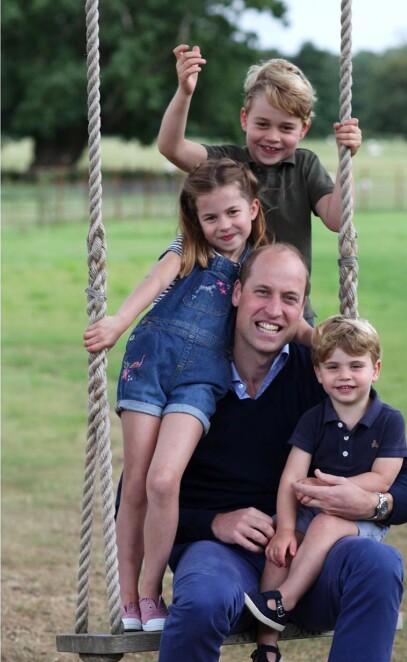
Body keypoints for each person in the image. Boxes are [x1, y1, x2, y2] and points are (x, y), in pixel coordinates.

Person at [148, 244, 407, 662]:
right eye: (262, 292)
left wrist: (370, 502)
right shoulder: (192, 373)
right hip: (224, 555)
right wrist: (214, 522)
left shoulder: (318, 374)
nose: (274, 310)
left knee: (378, 563)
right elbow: (134, 497)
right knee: (200, 599)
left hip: (311, 556)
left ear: (302, 309)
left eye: (290, 297)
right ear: (237, 293)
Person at [82, 158, 274, 633]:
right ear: (197, 219)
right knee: (137, 482)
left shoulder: (259, 262)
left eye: (232, 213)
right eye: (211, 217)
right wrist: (118, 322)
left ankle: (151, 592)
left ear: (252, 208)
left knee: (165, 481)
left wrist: (326, 342)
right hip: (150, 362)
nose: (223, 226)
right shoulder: (188, 247)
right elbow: (155, 282)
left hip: (202, 377)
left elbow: (280, 313)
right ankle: (129, 600)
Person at [243, 315, 407, 662]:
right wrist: (285, 529)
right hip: (312, 506)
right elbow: (291, 477)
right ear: (318, 373)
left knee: (326, 522)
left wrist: (337, 491)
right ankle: (267, 644)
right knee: (279, 549)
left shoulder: (389, 421)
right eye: (333, 367)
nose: (345, 376)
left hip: (361, 517)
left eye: (356, 366)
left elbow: (384, 478)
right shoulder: (314, 419)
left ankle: (284, 599)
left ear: (376, 369)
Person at [157, 47, 363, 323]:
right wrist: (185, 92)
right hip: (229, 311)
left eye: (286, 128)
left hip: (290, 311)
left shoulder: (305, 165)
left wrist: (345, 159)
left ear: (303, 130)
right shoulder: (228, 163)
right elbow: (172, 148)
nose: (273, 137)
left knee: (301, 364)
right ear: (245, 119)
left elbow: (337, 219)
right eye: (263, 124)